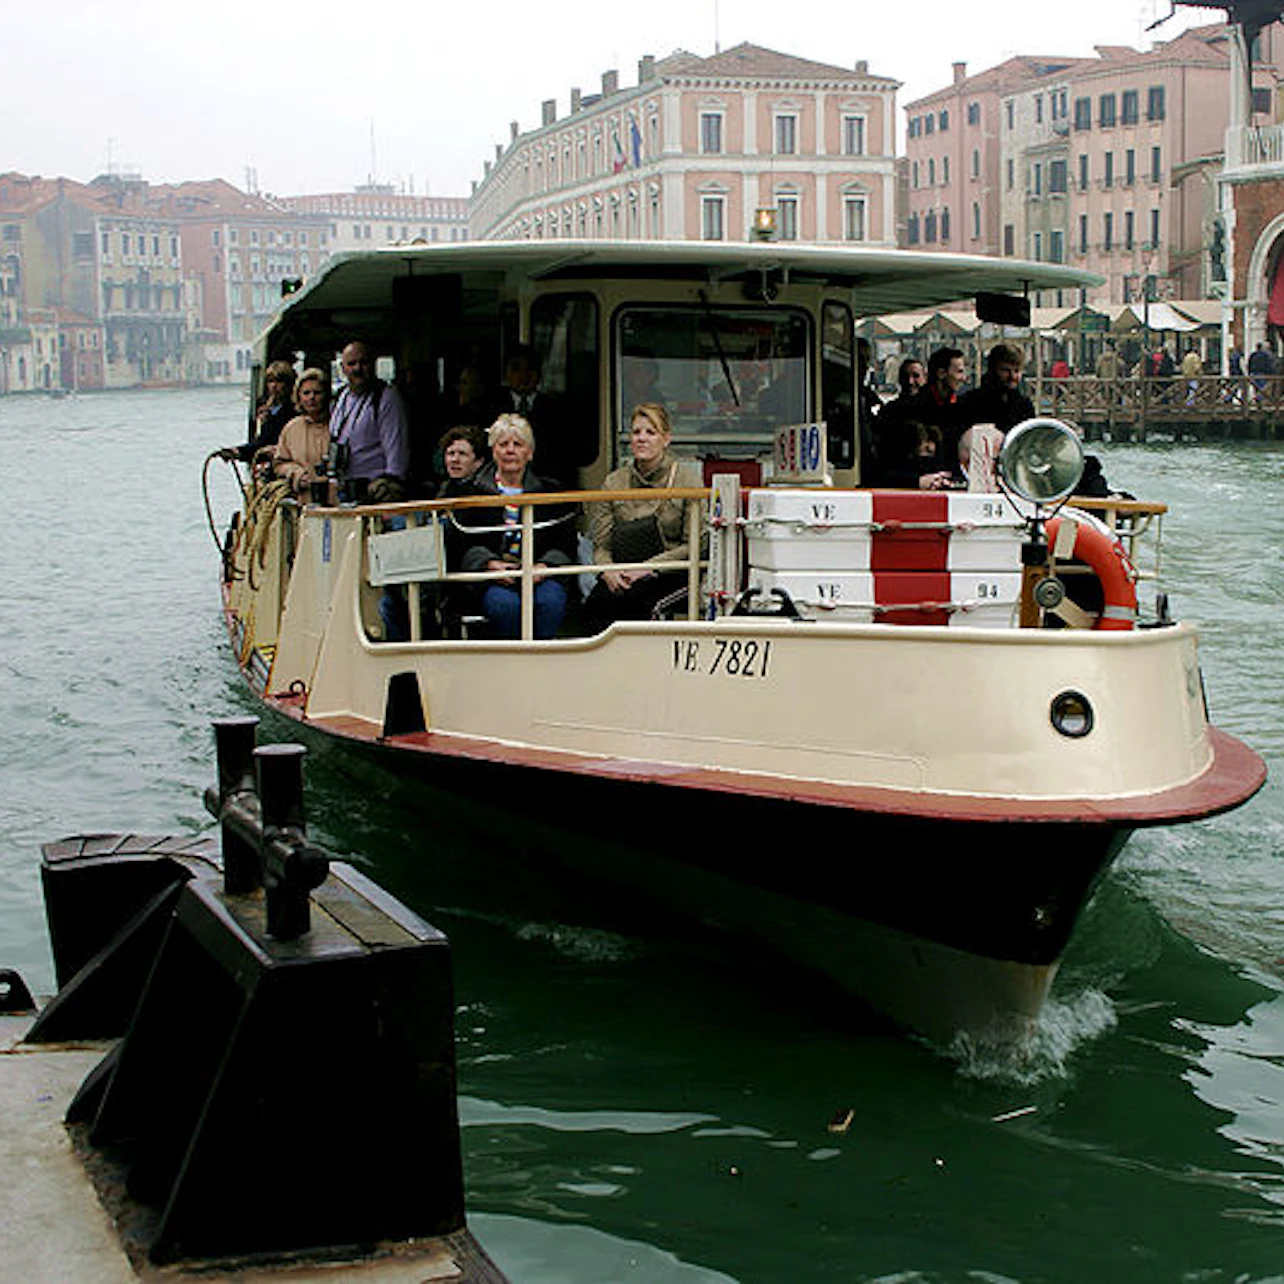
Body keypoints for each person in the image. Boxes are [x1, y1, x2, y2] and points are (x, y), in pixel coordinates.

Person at [581, 403, 703, 631]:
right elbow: (601, 544)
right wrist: (608, 570)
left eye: (651, 432)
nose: (642, 439)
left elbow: (695, 545)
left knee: (639, 606)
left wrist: (649, 568)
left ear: (666, 439)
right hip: (622, 573)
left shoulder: (688, 481)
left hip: (669, 573)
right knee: (595, 607)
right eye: (636, 432)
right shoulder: (614, 482)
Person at [455, 415, 578, 639]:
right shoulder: (471, 493)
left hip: (540, 576)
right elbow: (460, 541)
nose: (510, 450)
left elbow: (566, 540)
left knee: (550, 602)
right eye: (503, 444)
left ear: (529, 453)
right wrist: (489, 564)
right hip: (491, 579)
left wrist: (545, 566)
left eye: (517, 444)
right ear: (493, 451)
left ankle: (541, 663)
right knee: (505, 606)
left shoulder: (550, 491)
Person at [486, 344, 580, 488]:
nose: (524, 376)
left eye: (529, 369)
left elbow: (566, 456)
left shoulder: (559, 411)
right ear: (506, 374)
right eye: (516, 369)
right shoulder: (489, 408)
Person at [329, 340, 409, 500]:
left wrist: (390, 483)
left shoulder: (386, 397)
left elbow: (396, 448)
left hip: (375, 490)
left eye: (363, 362)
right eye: (351, 364)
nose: (357, 369)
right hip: (344, 488)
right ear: (343, 368)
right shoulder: (340, 397)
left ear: (373, 365)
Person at [957, 342, 1035, 445]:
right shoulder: (970, 403)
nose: (1012, 376)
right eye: (1005, 370)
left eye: (1016, 371)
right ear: (992, 370)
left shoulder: (1025, 405)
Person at [221, 360, 296, 463]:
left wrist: (240, 452)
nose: (274, 386)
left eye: (279, 381)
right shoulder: (268, 411)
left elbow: (266, 442)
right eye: (271, 381)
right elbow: (261, 442)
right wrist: (237, 451)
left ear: (288, 384)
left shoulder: (292, 412)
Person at [272, 369, 332, 495]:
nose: (312, 398)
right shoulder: (292, 428)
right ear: (298, 396)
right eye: (306, 393)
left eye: (317, 393)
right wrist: (296, 473)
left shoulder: (339, 424)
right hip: (304, 500)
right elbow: (279, 464)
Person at [876, 419, 955, 491]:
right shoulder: (891, 469)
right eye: (925, 441)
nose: (931, 447)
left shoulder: (939, 465)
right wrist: (918, 482)